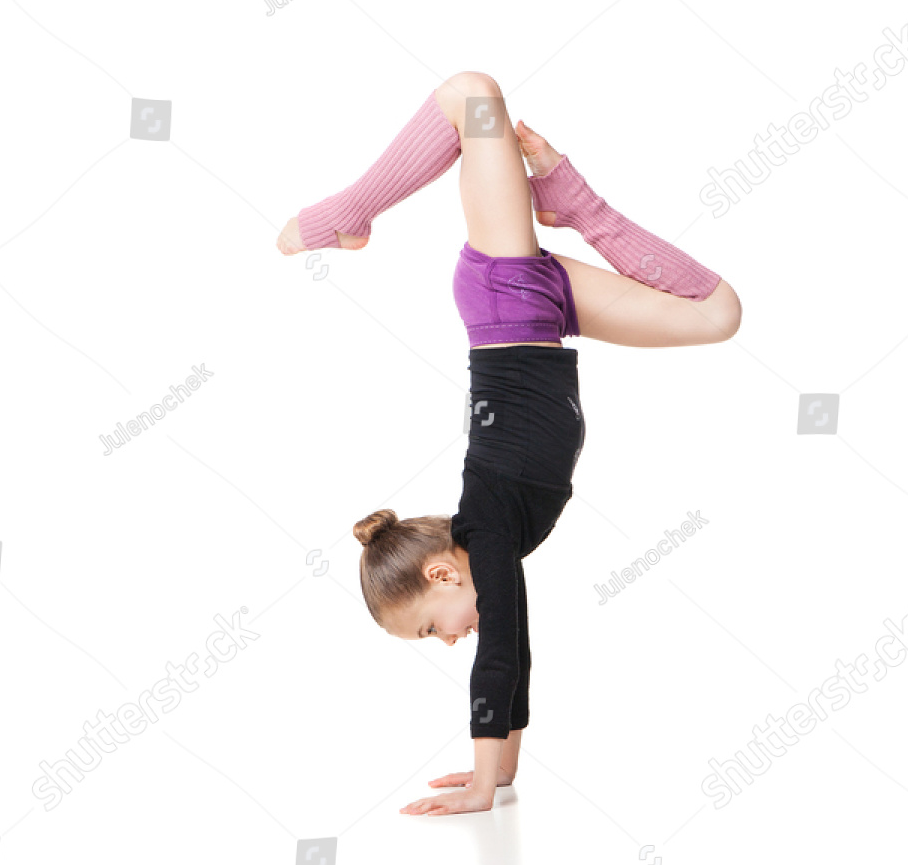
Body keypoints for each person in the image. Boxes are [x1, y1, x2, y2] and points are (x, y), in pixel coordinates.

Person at [278, 72, 741, 815]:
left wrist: (483, 779)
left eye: (433, 627)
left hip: (508, 300)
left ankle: (346, 216)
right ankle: (571, 202)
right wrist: (502, 771)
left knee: (472, 95)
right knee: (718, 314)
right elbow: (515, 650)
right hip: (541, 316)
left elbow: (495, 658)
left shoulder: (487, 531)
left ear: (441, 573)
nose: (450, 641)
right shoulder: (494, 546)